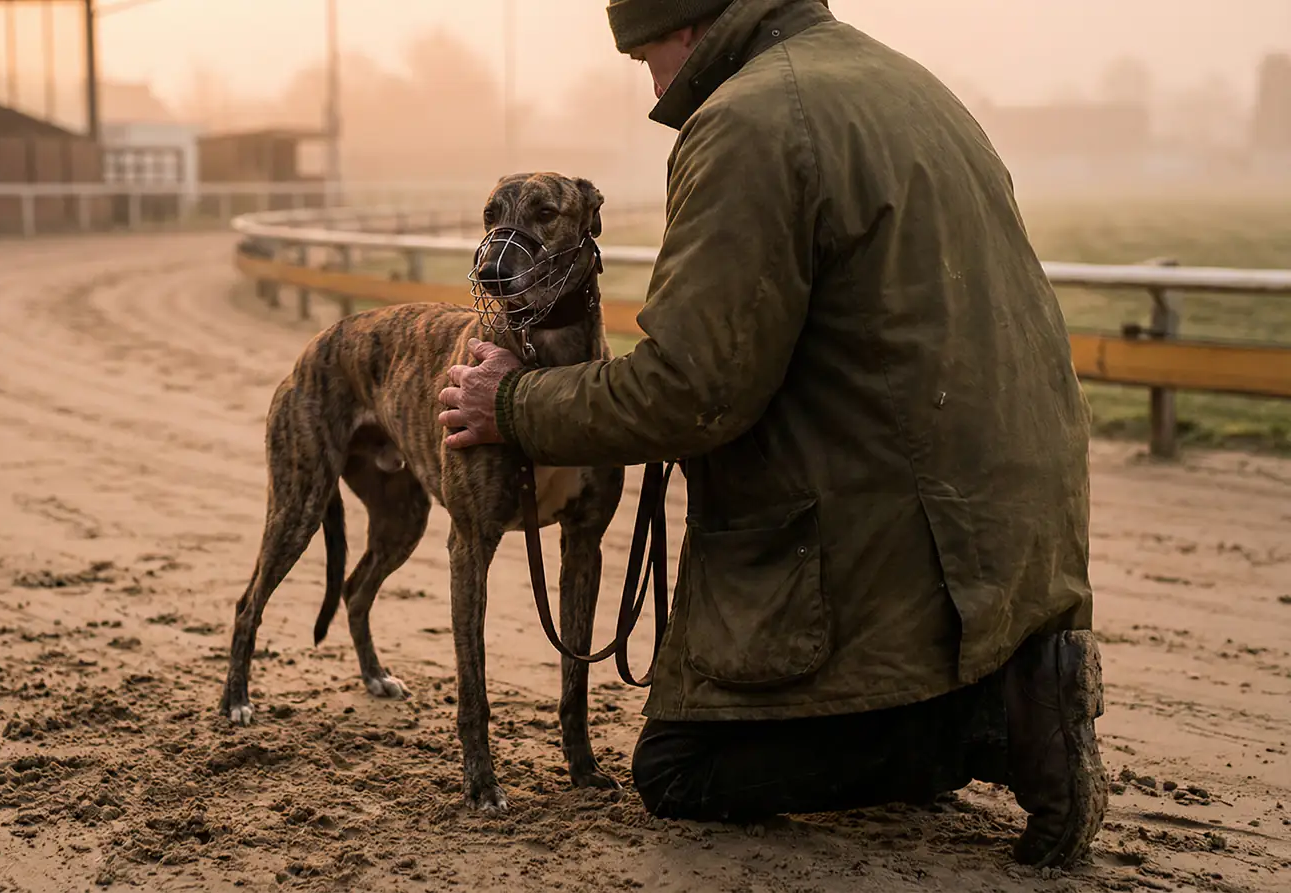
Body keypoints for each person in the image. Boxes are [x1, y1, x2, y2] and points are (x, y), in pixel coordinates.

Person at [435, 0, 1108, 870]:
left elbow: (691, 392)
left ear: (688, 26)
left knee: (678, 768)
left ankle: (993, 721)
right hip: (1010, 530)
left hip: (899, 526)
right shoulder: (910, 83)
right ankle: (989, 686)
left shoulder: (746, 122)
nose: (653, 87)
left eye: (645, 56)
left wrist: (516, 404)